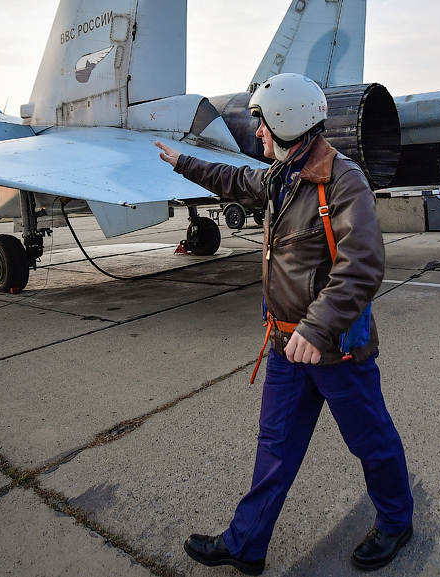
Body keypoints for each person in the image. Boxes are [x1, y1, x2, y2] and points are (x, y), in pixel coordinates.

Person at [156, 73, 413, 575]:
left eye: (262, 124)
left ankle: (396, 522)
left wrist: (317, 331)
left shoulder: (343, 180)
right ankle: (247, 544)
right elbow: (234, 181)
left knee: (371, 441)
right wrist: (183, 163)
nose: (258, 135)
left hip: (333, 348)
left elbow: (361, 267)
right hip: (285, 344)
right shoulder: (283, 176)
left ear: (286, 121)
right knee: (275, 445)